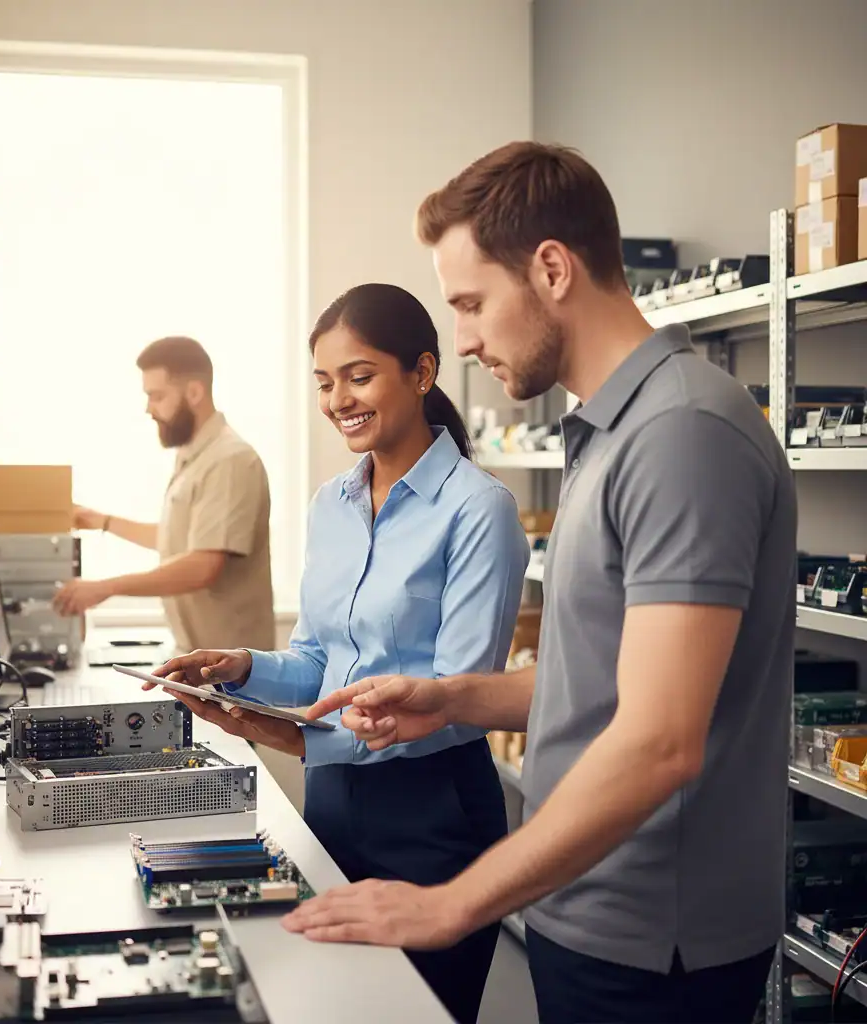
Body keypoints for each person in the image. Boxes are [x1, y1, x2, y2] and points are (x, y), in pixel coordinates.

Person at [286, 143, 796, 1024]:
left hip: (651, 937)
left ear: (552, 268)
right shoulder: (608, 433)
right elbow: (599, 685)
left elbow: (659, 740)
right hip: (586, 905)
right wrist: (451, 698)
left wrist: (453, 901)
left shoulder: (681, 434)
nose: (468, 340)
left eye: (473, 304)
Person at [148, 283, 528, 1024]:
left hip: (434, 813)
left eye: (359, 376)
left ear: (422, 373)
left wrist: (296, 735)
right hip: (332, 801)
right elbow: (320, 660)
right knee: (328, 1008)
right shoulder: (332, 504)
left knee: (417, 1012)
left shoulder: (478, 510)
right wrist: (243, 669)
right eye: (324, 382)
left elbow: (460, 699)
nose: (338, 399)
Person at [53, 336, 275, 654]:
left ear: (194, 392)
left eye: (156, 396)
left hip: (232, 671)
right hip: (198, 658)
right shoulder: (196, 457)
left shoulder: (230, 460)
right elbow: (178, 540)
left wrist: (107, 587)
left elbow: (202, 565)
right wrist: (102, 521)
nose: (148, 409)